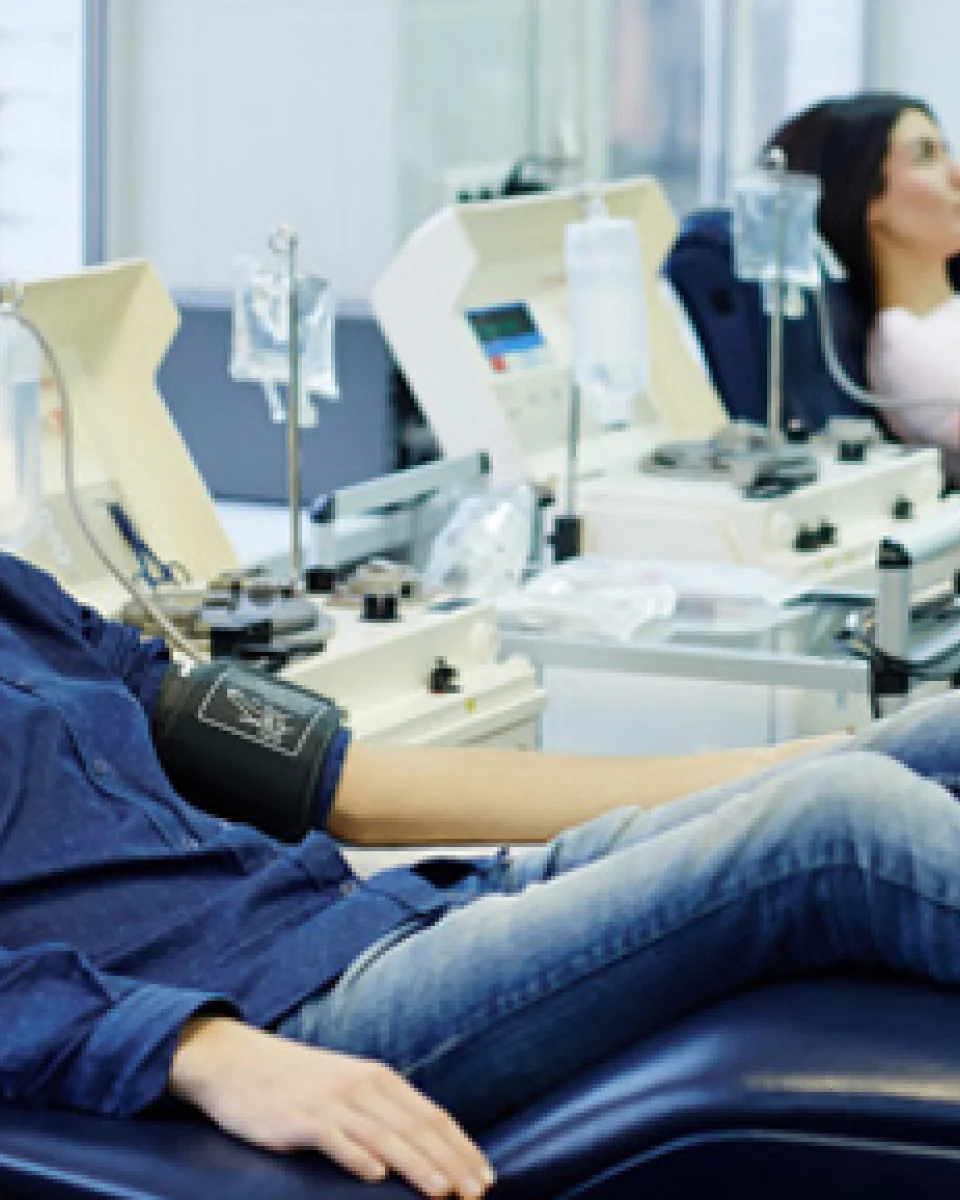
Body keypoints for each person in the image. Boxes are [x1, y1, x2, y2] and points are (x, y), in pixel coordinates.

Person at [10, 549, 960, 1200]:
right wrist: (195, 1052)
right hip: (283, 1010)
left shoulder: (20, 597)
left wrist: (780, 766)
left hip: (374, 911)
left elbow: (351, 787)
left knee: (927, 738)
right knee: (843, 832)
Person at [766, 92, 960, 480]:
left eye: (945, 151)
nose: (956, 174)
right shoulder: (908, 347)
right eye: (926, 156)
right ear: (868, 199)